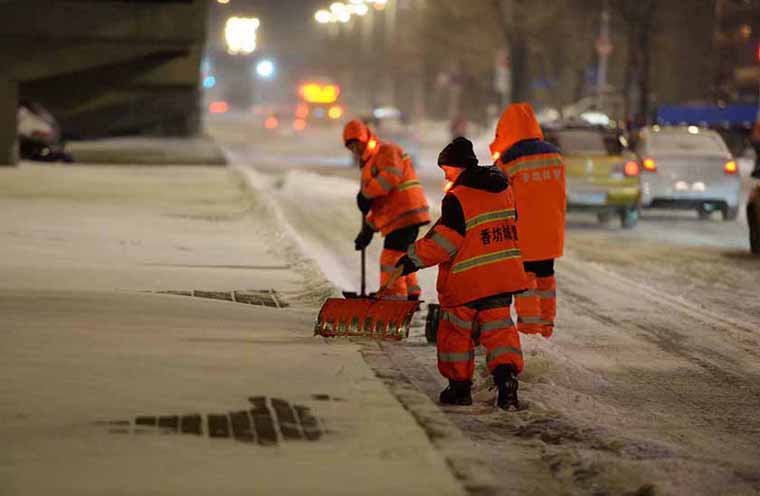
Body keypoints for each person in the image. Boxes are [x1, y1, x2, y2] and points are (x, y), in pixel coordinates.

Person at [395, 137, 528, 410]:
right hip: (501, 277)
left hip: (468, 281)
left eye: (447, 169)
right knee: (500, 333)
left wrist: (412, 259)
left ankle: (459, 389)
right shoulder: (503, 188)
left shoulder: (458, 198)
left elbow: (445, 243)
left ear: (458, 167)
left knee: (455, 334)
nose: (445, 174)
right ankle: (507, 381)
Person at [490, 103, 566, 338]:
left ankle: (529, 329)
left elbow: (498, 195)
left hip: (521, 232)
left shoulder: (509, 159)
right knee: (546, 277)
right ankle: (546, 325)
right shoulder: (554, 154)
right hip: (551, 228)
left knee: (525, 281)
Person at [343, 119, 431, 300]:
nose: (355, 150)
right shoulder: (370, 161)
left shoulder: (385, 151)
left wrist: (366, 194)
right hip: (400, 214)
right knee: (403, 258)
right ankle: (411, 296)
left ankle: (393, 299)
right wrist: (368, 229)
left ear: (363, 139)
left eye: (356, 144)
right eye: (350, 147)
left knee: (391, 259)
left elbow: (390, 178)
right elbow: (382, 203)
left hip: (406, 213)